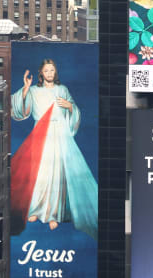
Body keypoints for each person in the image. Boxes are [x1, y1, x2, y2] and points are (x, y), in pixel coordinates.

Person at [10, 58, 98, 238]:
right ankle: (36, 209)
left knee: (57, 173)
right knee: (40, 172)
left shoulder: (62, 89)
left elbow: (74, 112)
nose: (50, 73)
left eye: (52, 70)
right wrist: (26, 87)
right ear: (41, 73)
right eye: (46, 70)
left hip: (59, 134)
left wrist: (70, 107)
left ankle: (54, 214)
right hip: (40, 134)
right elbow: (21, 110)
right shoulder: (34, 90)